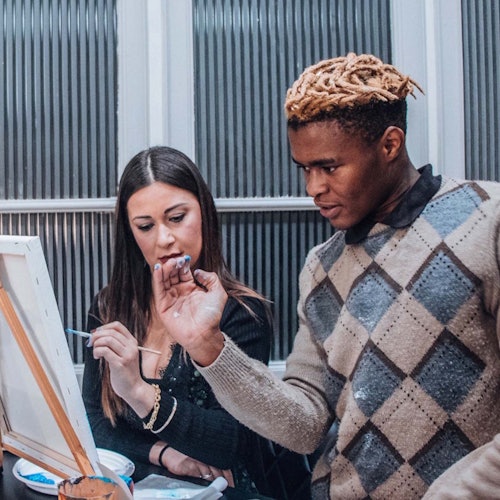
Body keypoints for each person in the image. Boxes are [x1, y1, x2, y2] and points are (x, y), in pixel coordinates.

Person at [149, 53, 500, 499]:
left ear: (390, 145)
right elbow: (304, 426)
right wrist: (209, 346)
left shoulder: (486, 221)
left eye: (329, 167)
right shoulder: (321, 267)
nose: (313, 187)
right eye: (305, 169)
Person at [81, 146, 273, 493]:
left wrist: (139, 392)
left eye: (177, 218)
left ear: (204, 213)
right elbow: (94, 422)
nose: (164, 239)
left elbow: (231, 443)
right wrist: (164, 453)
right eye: (145, 226)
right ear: (130, 233)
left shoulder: (242, 314)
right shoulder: (110, 305)